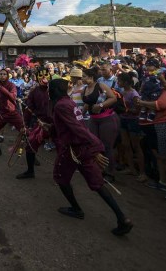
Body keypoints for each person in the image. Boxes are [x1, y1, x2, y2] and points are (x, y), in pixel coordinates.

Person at [47, 77, 133, 236]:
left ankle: (76, 209)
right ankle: (122, 218)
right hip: (83, 148)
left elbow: (76, 128)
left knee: (60, 178)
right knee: (98, 183)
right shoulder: (69, 102)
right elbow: (65, 125)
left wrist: (96, 147)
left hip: (72, 149)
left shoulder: (60, 105)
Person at [136, 71, 166, 201]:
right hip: (152, 126)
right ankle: (163, 182)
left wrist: (142, 103)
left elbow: (161, 105)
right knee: (159, 156)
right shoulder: (149, 90)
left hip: (164, 125)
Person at [81, 67, 119, 180]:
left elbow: (113, 98)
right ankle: (99, 170)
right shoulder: (85, 89)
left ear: (91, 77)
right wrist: (79, 115)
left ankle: (110, 173)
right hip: (93, 119)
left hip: (107, 119)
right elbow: (87, 104)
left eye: (84, 77)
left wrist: (101, 105)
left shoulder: (101, 86)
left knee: (107, 146)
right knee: (95, 145)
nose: (82, 79)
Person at [17, 69, 52, 179]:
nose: (43, 77)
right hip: (39, 123)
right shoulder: (34, 91)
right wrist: (24, 125)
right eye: (40, 75)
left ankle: (64, 176)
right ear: (36, 78)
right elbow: (28, 109)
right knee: (30, 145)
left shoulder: (55, 90)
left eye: (46, 75)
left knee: (63, 148)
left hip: (56, 124)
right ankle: (30, 171)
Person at [0, 68, 25, 157]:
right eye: (0, 74)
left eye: (4, 74)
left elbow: (12, 97)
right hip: (2, 113)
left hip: (13, 113)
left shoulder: (12, 85)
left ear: (7, 76)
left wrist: (0, 88)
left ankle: (32, 155)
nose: (2, 76)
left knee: (25, 133)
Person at [117, 72, 146, 182]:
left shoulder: (134, 94)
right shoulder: (122, 92)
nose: (118, 83)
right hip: (124, 119)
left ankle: (142, 173)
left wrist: (125, 109)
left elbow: (138, 110)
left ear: (125, 82)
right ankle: (131, 168)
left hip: (133, 121)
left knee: (136, 146)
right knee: (126, 145)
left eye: (119, 81)